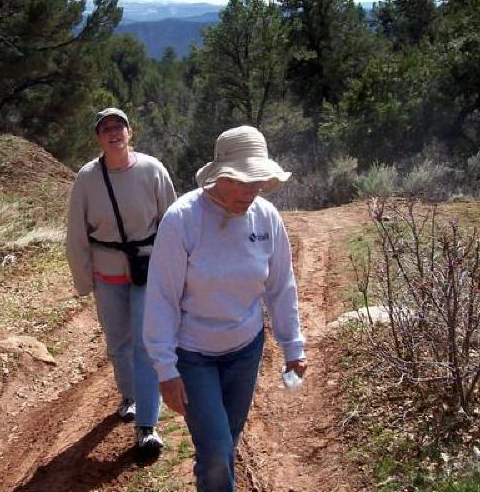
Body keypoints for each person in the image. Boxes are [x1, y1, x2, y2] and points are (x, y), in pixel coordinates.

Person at [143, 125, 308, 491]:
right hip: (194, 354)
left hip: (245, 351)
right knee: (216, 450)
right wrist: (165, 369)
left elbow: (281, 285)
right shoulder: (182, 219)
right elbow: (162, 298)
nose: (253, 191)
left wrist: (293, 344)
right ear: (220, 176)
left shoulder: (266, 219)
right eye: (243, 182)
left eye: (259, 182)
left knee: (226, 443)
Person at [66, 107, 177, 454]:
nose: (114, 133)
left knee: (146, 345)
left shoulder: (153, 170)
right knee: (118, 343)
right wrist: (84, 280)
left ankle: (147, 425)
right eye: (106, 128)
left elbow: (173, 223)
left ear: (130, 132)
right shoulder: (87, 178)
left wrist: (177, 272)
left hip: (148, 270)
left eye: (119, 127)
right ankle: (129, 395)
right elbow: (76, 234)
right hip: (107, 273)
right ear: (98, 137)